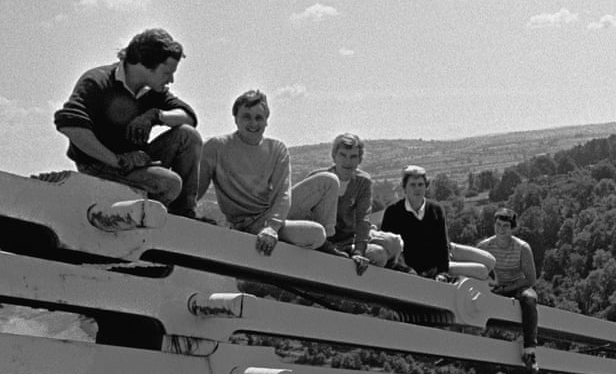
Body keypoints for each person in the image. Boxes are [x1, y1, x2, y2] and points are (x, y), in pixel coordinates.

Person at [53, 28, 202, 217]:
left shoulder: (153, 91)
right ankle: (143, 215)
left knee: (188, 135)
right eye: (166, 73)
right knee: (169, 183)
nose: (171, 80)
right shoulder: (98, 80)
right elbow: (70, 124)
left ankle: (184, 213)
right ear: (145, 64)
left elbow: (189, 117)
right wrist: (117, 161)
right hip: (100, 165)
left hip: (136, 162)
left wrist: (155, 116)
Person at [197, 90, 339, 256]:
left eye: (259, 118)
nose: (253, 123)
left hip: (271, 215)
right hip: (248, 224)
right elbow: (196, 188)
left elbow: (283, 193)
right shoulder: (216, 147)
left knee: (328, 181)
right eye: (246, 117)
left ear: (266, 121)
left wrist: (272, 227)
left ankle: (327, 246)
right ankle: (314, 240)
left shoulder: (277, 149)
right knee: (315, 233)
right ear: (235, 119)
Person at [297, 133, 403, 274]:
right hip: (322, 239)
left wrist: (359, 251)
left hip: (348, 239)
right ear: (334, 156)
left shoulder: (362, 182)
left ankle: (392, 272)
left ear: (359, 160)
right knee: (379, 255)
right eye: (343, 155)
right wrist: (329, 246)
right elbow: (305, 215)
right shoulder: (320, 178)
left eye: (353, 157)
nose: (347, 161)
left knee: (390, 246)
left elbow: (363, 218)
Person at [379, 165, 495, 280]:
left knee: (491, 261)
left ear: (426, 186)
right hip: (426, 266)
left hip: (443, 253)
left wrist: (442, 271)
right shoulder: (393, 212)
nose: (417, 189)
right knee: (482, 270)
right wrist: (410, 271)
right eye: (412, 185)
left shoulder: (435, 209)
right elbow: (388, 249)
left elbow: (442, 244)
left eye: (420, 184)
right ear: (404, 188)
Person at [476, 207, 540, 372]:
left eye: (505, 226)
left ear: (512, 228)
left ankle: (529, 352)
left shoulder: (522, 248)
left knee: (530, 299)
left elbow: (531, 279)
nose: (501, 229)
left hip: (517, 286)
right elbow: (476, 272)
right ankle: (462, 339)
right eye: (498, 225)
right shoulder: (484, 246)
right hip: (495, 286)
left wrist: (507, 288)